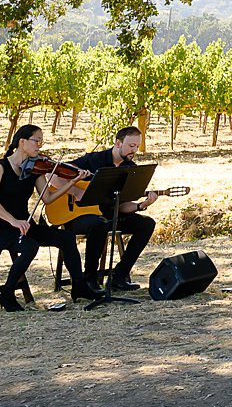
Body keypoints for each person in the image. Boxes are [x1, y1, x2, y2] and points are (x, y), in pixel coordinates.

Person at [0, 123, 100, 310]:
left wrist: (72, 182)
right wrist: (13, 221)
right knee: (30, 246)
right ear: (22, 142)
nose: (39, 146)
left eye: (41, 142)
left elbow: (48, 198)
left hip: (25, 225)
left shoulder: (35, 169)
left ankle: (79, 286)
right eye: (37, 141)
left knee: (66, 237)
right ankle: (7, 294)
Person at [64, 126, 163, 294]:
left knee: (146, 224)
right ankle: (90, 280)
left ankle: (119, 276)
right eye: (131, 146)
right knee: (99, 224)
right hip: (79, 215)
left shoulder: (130, 168)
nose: (134, 150)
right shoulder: (94, 160)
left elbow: (122, 205)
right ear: (118, 143)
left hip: (109, 215)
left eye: (137, 146)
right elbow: (53, 175)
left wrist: (141, 205)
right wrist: (76, 191)